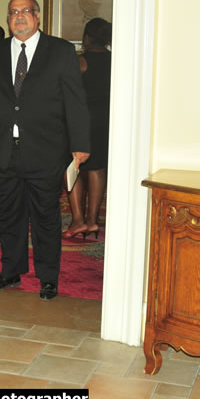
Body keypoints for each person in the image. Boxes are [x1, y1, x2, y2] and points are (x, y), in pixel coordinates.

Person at [0, 0, 90, 301]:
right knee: (9, 215)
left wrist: (80, 144)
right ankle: (11, 270)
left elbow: (75, 101)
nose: (19, 17)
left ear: (37, 17)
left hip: (46, 150)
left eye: (25, 11)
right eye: (13, 13)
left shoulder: (60, 51)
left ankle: (48, 277)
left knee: (45, 217)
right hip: (5, 151)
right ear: (8, 20)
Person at [64, 18, 112, 240]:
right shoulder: (115, 60)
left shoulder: (81, 61)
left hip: (81, 119)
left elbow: (65, 88)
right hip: (105, 119)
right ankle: (93, 221)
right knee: (97, 169)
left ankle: (77, 220)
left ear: (87, 37)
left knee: (73, 166)